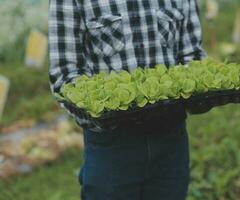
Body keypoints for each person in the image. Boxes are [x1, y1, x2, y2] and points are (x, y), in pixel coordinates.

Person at [48, 0, 206, 199]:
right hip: (112, 146)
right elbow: (65, 73)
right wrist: (102, 115)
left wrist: (199, 93)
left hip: (171, 139)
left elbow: (192, 56)